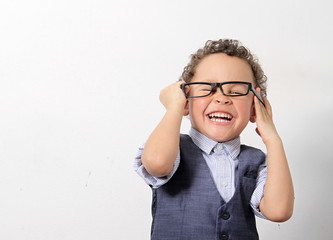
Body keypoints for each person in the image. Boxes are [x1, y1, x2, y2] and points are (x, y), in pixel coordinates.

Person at [134, 39, 294, 240]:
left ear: (255, 108)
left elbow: (279, 211)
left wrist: (273, 138)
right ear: (186, 101)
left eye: (236, 92)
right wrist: (174, 106)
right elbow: (157, 164)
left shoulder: (256, 160)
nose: (222, 98)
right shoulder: (172, 149)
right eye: (206, 88)